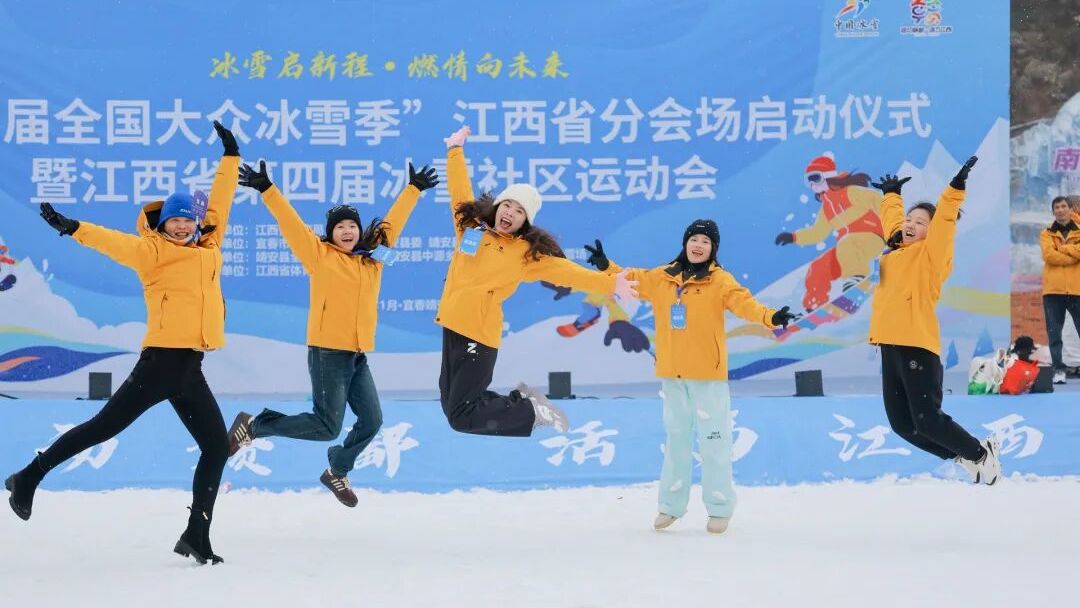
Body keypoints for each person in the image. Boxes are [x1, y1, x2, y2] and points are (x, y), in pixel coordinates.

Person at [5, 121, 240, 564]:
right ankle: (28, 477)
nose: (181, 225)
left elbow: (220, 204)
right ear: (162, 224)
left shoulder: (209, 247)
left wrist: (230, 158)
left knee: (215, 446)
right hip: (160, 364)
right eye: (174, 220)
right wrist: (73, 227)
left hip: (190, 368)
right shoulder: (153, 252)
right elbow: (112, 242)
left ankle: (196, 535)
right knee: (102, 427)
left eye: (187, 219)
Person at [226, 160, 438, 507]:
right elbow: (291, 224)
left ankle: (337, 469)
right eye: (340, 226)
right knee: (327, 426)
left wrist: (413, 189)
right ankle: (253, 426)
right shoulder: (319, 255)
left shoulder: (372, 260)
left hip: (356, 354)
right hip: (327, 353)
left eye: (352, 225)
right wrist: (267, 189)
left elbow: (392, 225)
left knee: (372, 420)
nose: (347, 231)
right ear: (330, 233)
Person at [584, 222, 795, 534]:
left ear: (713, 249)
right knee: (676, 442)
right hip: (673, 373)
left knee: (714, 442)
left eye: (705, 241)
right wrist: (606, 266)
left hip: (707, 375)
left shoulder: (720, 280)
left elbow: (744, 303)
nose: (698, 245)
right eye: (693, 239)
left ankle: (720, 507)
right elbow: (631, 279)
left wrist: (770, 317)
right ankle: (670, 506)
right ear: (685, 243)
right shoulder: (663, 277)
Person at [436, 125, 636, 437]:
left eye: (519, 212)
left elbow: (567, 272)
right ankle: (523, 402)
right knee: (453, 406)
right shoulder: (470, 228)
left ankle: (531, 410)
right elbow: (459, 190)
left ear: (525, 221)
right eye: (508, 205)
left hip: (479, 333)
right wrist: (455, 150)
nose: (510, 213)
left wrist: (611, 283)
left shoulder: (525, 254)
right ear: (498, 207)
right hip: (453, 326)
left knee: (462, 415)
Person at [868, 158, 1002, 486]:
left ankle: (980, 453)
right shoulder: (894, 249)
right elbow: (893, 225)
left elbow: (943, 221)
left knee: (927, 420)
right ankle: (964, 455)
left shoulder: (931, 256)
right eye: (909, 219)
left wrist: (954, 190)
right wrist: (891, 196)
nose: (910, 224)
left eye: (920, 222)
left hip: (917, 346)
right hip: (890, 346)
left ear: (931, 232)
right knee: (903, 425)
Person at [775, 154, 884, 313]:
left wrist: (894, 227)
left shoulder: (851, 192)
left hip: (873, 239)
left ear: (828, 176)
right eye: (809, 181)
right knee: (818, 267)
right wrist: (793, 237)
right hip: (848, 252)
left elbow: (877, 200)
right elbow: (817, 233)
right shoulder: (826, 208)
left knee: (846, 243)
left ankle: (856, 279)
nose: (813, 184)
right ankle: (814, 304)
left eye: (815, 178)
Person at [1038, 195, 1080, 384]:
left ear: (1070, 209)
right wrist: (1072, 254)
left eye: (1064, 206)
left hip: (1077, 289)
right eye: (1057, 207)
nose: (1060, 210)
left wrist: (1062, 249)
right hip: (1053, 290)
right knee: (1054, 333)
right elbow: (1049, 256)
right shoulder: (1046, 233)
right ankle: (1058, 370)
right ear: (1053, 211)